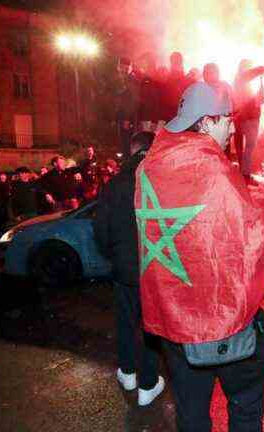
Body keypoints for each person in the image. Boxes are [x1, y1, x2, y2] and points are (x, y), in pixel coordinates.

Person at [135, 82, 264, 431]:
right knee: (245, 405)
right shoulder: (212, 169)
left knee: (191, 412)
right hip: (222, 320)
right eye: (226, 119)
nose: (232, 126)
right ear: (205, 122)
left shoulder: (148, 168)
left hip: (174, 324)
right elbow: (254, 237)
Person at [94, 131, 164, 407]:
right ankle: (148, 384)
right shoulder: (162, 178)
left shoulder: (114, 183)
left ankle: (127, 372)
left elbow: (100, 229)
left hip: (124, 268)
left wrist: (114, 255)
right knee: (150, 326)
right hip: (157, 267)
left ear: (133, 149)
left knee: (125, 321)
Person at [232, 60, 264, 175]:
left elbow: (256, 100)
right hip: (244, 117)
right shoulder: (241, 78)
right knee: (245, 146)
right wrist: (263, 68)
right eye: (248, 67)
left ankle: (243, 171)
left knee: (247, 146)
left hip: (249, 116)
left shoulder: (251, 81)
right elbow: (248, 76)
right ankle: (244, 173)